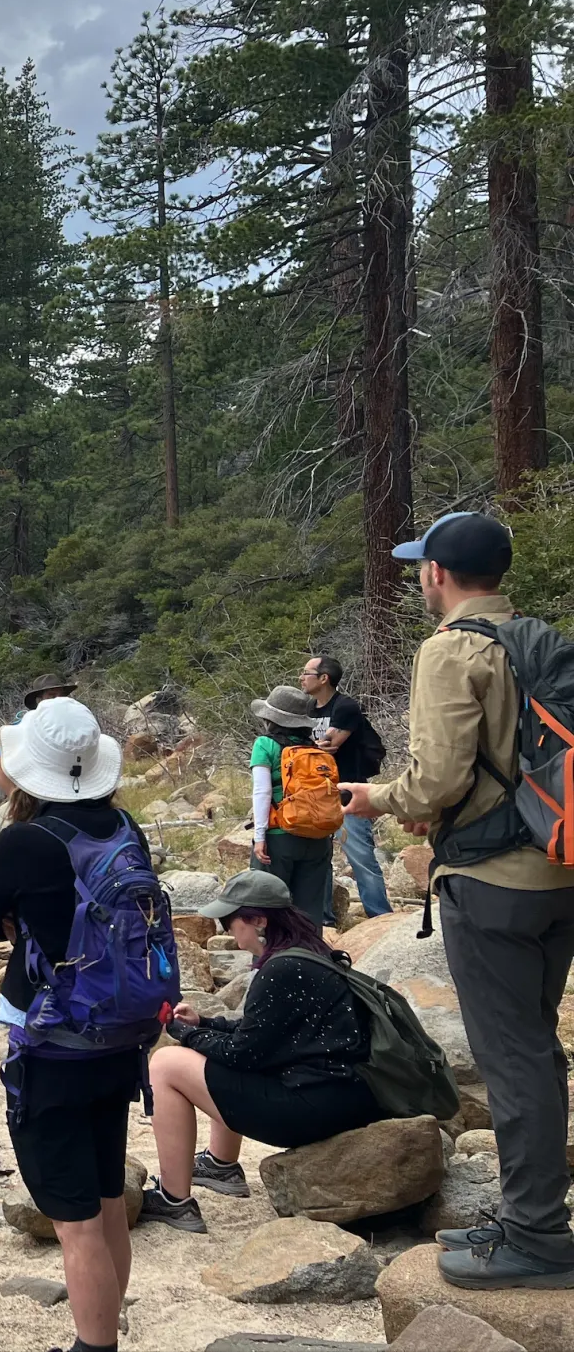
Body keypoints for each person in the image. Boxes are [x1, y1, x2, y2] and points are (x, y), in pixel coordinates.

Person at [343, 511, 574, 1291]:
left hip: (490, 882)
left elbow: (438, 781)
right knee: (537, 1050)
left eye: (421, 565)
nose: (418, 576)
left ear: (437, 573)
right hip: (556, 867)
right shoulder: (538, 639)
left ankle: (538, 1236)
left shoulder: (451, 650)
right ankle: (529, 1214)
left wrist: (374, 797)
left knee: (513, 1060)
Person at [0, 697, 140, 1352]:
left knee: (75, 1220)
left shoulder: (23, 841)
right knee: (107, 1196)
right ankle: (107, 1324)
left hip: (51, 1041)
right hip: (118, 1032)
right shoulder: (123, 826)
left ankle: (96, 1346)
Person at [136, 870, 383, 1234]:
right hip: (341, 1097)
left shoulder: (281, 969)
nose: (227, 931)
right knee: (212, 1054)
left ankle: (174, 1200)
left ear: (258, 920)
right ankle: (220, 1166)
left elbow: (243, 1054)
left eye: (229, 920)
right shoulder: (310, 953)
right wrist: (205, 1022)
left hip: (313, 1110)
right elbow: (265, 1035)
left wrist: (185, 1036)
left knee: (166, 1065)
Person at [302, 654, 390, 918]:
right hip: (317, 794)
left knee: (361, 858)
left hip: (347, 793)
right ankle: (325, 919)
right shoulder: (309, 709)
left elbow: (330, 745)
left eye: (306, 672)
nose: (301, 678)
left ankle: (381, 917)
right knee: (318, 859)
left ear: (324, 678)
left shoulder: (345, 707)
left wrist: (311, 748)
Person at [247, 684, 339, 927]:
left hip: (280, 836)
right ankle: (311, 959)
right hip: (318, 838)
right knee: (309, 911)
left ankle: (269, 963)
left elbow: (262, 791)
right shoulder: (314, 748)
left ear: (270, 718)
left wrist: (259, 836)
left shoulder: (265, 745)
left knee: (270, 909)